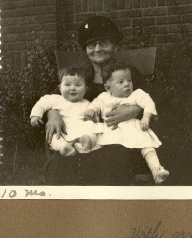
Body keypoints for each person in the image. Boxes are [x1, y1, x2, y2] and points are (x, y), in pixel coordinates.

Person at [45, 16, 150, 185]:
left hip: (120, 141)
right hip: (85, 140)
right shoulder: (81, 76)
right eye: (91, 45)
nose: (98, 49)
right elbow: (53, 98)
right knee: (61, 162)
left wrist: (134, 110)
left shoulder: (128, 74)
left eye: (104, 43)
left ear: (115, 46)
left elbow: (152, 102)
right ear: (86, 50)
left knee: (111, 160)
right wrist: (53, 114)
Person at [85, 63, 169, 184]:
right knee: (97, 147)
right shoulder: (103, 97)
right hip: (111, 130)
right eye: (120, 82)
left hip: (133, 127)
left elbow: (149, 103)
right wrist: (91, 110)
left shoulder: (136, 94)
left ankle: (157, 170)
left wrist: (145, 117)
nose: (127, 84)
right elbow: (94, 105)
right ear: (108, 88)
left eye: (129, 80)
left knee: (147, 146)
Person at [30, 67, 98, 157]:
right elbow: (41, 104)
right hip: (62, 131)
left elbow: (95, 118)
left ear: (85, 89)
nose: (72, 88)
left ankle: (84, 144)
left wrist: (93, 117)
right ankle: (64, 147)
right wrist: (35, 116)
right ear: (60, 88)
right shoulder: (55, 99)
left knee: (91, 127)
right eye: (67, 84)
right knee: (53, 136)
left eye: (78, 85)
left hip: (80, 131)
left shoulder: (87, 103)